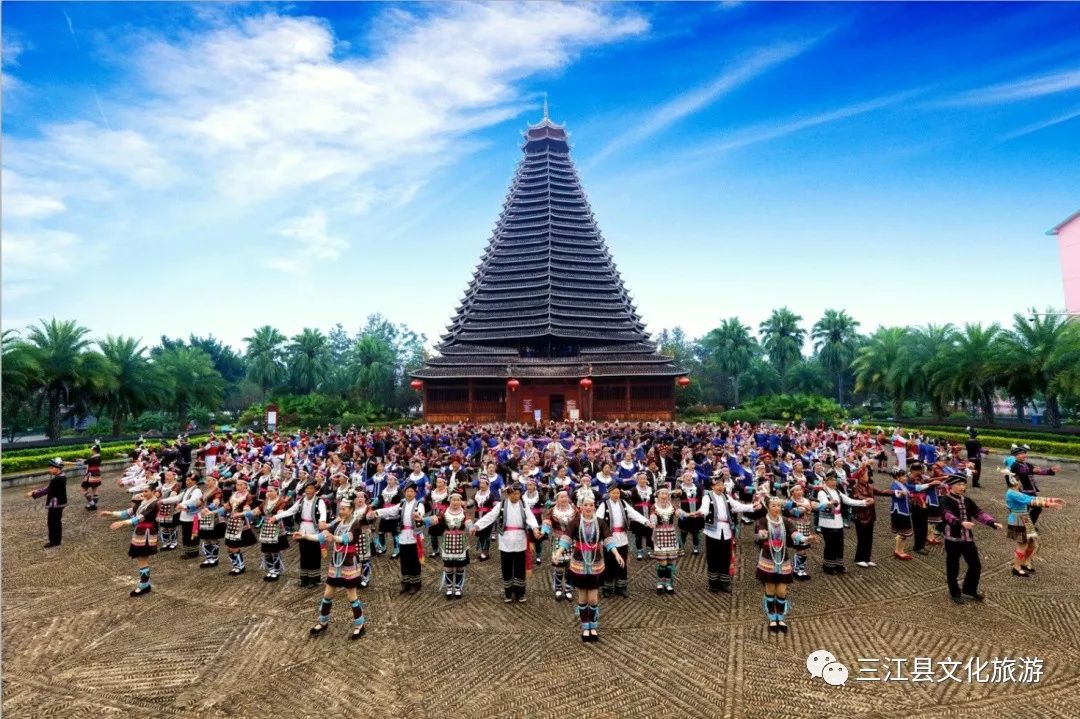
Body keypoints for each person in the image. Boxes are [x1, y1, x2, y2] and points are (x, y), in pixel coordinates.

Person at [296, 498, 367, 640]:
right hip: (336, 561)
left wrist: (333, 537)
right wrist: (304, 536)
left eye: (344, 509)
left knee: (351, 596)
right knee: (327, 594)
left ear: (351, 509)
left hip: (348, 561)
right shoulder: (337, 522)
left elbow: (347, 538)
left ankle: (360, 625)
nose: (341, 511)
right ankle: (323, 622)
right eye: (340, 508)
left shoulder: (356, 524)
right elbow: (321, 536)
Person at [555, 496, 620, 642]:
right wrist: (559, 553)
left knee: (593, 598)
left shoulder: (600, 522)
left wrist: (616, 553)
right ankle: (585, 627)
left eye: (591, 505)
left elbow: (608, 540)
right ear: (581, 507)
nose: (589, 507)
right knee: (583, 597)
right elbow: (566, 539)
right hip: (579, 563)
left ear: (594, 507)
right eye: (586, 505)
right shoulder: (576, 522)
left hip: (596, 563)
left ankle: (594, 626)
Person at [470, 482, 542, 603]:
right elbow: (490, 516)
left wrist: (535, 529)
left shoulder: (523, 504)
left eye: (518, 493)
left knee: (520, 567)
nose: (516, 496)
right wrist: (477, 526)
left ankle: (520, 593)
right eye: (513, 493)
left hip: (520, 540)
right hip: (506, 540)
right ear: (508, 494)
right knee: (507, 567)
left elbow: (530, 517)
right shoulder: (501, 505)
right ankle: (508, 593)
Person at [939, 475, 1001, 603]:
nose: (963, 487)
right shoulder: (945, 500)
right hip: (952, 539)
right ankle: (955, 592)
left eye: (964, 484)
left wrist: (992, 522)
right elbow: (947, 514)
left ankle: (970, 589)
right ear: (951, 486)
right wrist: (961, 522)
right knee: (953, 567)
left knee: (975, 565)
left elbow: (978, 513)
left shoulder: (967, 500)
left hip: (967, 538)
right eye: (960, 484)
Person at [756, 496, 811, 633]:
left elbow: (794, 533)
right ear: (768, 507)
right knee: (770, 590)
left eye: (779, 506)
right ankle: (771, 617)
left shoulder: (786, 521)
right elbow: (759, 534)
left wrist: (805, 538)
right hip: (768, 559)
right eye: (774, 505)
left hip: (783, 559)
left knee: (781, 591)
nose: (777, 508)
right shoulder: (763, 521)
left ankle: (780, 616)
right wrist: (762, 534)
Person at [697, 475, 760, 593]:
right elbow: (704, 509)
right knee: (713, 557)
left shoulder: (726, 497)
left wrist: (752, 506)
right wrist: (699, 513)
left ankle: (724, 583)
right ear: (712, 486)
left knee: (725, 557)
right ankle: (713, 583)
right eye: (718, 485)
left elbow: (737, 506)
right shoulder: (707, 496)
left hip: (726, 530)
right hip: (712, 532)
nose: (721, 487)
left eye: (722, 485)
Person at [371, 480, 430, 594]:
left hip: (414, 536)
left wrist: (419, 516)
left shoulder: (419, 504)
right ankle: (406, 582)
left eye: (411, 491)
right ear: (404, 492)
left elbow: (421, 514)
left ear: (415, 493)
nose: (409, 493)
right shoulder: (402, 504)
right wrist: (377, 512)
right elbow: (390, 511)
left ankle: (415, 583)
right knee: (404, 560)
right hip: (403, 536)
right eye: (407, 491)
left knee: (414, 560)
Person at [100, 484, 159, 596]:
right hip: (140, 532)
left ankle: (144, 585)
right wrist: (111, 513)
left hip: (146, 533)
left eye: (146, 491)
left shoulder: (154, 504)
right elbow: (128, 512)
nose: (144, 493)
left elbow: (140, 517)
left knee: (142, 558)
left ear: (153, 491)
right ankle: (145, 584)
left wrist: (123, 523)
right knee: (141, 559)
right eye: (143, 491)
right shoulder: (144, 502)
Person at [1004, 473, 1065, 577]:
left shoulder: (1016, 492)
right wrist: (1050, 504)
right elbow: (1030, 501)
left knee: (1032, 544)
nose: (1020, 482)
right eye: (1018, 480)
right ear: (1016, 482)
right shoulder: (1012, 493)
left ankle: (1024, 562)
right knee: (1022, 545)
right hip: (1017, 519)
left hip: (1024, 518)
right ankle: (1016, 567)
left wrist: (1053, 499)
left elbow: (1031, 498)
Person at [595, 484, 649, 597]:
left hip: (622, 537)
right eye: (614, 493)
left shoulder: (623, 504)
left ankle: (621, 587)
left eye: (618, 493)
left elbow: (634, 514)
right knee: (609, 563)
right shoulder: (604, 505)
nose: (616, 495)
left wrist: (645, 521)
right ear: (609, 493)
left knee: (622, 562)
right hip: (609, 538)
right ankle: (607, 588)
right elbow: (598, 520)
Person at [816, 471, 871, 575]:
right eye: (831, 480)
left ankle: (838, 565)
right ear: (826, 481)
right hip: (827, 522)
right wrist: (829, 503)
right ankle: (828, 566)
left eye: (834, 480)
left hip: (838, 522)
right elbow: (822, 502)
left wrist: (863, 502)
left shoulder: (837, 491)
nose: (834, 482)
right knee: (830, 545)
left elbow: (848, 500)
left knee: (839, 544)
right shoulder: (822, 492)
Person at [277, 480, 329, 586]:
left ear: (315, 490)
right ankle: (304, 578)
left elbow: (323, 512)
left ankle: (314, 579)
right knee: (304, 553)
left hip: (314, 530)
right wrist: (276, 517)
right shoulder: (301, 500)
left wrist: (322, 521)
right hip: (302, 529)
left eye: (311, 488)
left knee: (314, 554)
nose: (308, 491)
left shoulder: (319, 501)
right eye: (307, 488)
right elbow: (290, 511)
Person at [429, 492, 472, 599]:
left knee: (460, 566)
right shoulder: (444, 512)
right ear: (450, 501)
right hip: (448, 541)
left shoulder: (464, 512)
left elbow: (468, 522)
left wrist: (471, 527)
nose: (456, 502)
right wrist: (426, 520)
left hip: (460, 541)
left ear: (460, 502)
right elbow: (436, 519)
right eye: (454, 500)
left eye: (458, 500)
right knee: (448, 566)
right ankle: (448, 588)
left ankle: (458, 588)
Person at [1008, 446, 1061, 526]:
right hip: (1022, 492)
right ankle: (1025, 526)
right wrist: (1032, 470)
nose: (1024, 455)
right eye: (1021, 454)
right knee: (1030, 509)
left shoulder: (1027, 464)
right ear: (1015, 455)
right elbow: (1022, 472)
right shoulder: (1014, 466)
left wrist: (1050, 470)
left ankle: (1026, 526)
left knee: (1035, 509)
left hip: (1030, 491)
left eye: (1024, 453)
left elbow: (1039, 471)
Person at [542, 490, 577, 600]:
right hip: (558, 540)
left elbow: (580, 522)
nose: (564, 499)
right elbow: (547, 523)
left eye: (566, 497)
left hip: (572, 540)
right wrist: (543, 532)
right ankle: (558, 588)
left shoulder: (574, 510)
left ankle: (568, 588)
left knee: (571, 566)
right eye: (561, 497)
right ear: (557, 499)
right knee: (559, 566)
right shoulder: (552, 511)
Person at [649, 487, 684, 595]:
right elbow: (653, 518)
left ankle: (668, 583)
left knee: (669, 561)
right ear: (658, 495)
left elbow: (679, 514)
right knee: (662, 561)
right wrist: (652, 521)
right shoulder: (654, 507)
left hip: (671, 533)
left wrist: (681, 511)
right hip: (659, 534)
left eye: (666, 494)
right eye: (662, 494)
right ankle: (660, 582)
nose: (664, 496)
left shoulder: (672, 506)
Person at [27, 458, 68, 548]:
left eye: (51, 468)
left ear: (57, 468)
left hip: (55, 504)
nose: (50, 470)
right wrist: (37, 490)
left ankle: (54, 541)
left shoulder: (57, 479)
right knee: (56, 521)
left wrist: (34, 494)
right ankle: (56, 540)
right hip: (60, 502)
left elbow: (48, 490)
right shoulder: (62, 476)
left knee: (53, 522)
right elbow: (49, 488)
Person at [82, 442, 103, 510]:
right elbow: (87, 461)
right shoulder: (99, 457)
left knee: (84, 489)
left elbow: (83, 462)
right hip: (97, 475)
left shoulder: (92, 458)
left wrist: (68, 462)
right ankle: (93, 504)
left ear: (94, 450)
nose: (91, 451)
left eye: (91, 450)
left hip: (90, 476)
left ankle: (92, 504)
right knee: (95, 490)